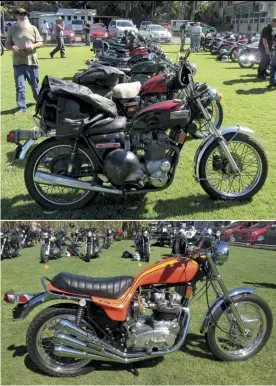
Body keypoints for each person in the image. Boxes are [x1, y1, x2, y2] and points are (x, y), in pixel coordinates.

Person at [5, 8, 43, 116]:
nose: (23, 16)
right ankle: (22, 107)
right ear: (15, 16)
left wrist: (32, 46)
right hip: (18, 62)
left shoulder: (33, 28)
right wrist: (12, 47)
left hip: (32, 61)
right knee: (20, 86)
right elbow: (7, 44)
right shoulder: (12, 29)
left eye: (24, 14)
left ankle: (40, 103)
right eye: (20, 14)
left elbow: (40, 42)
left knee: (35, 85)